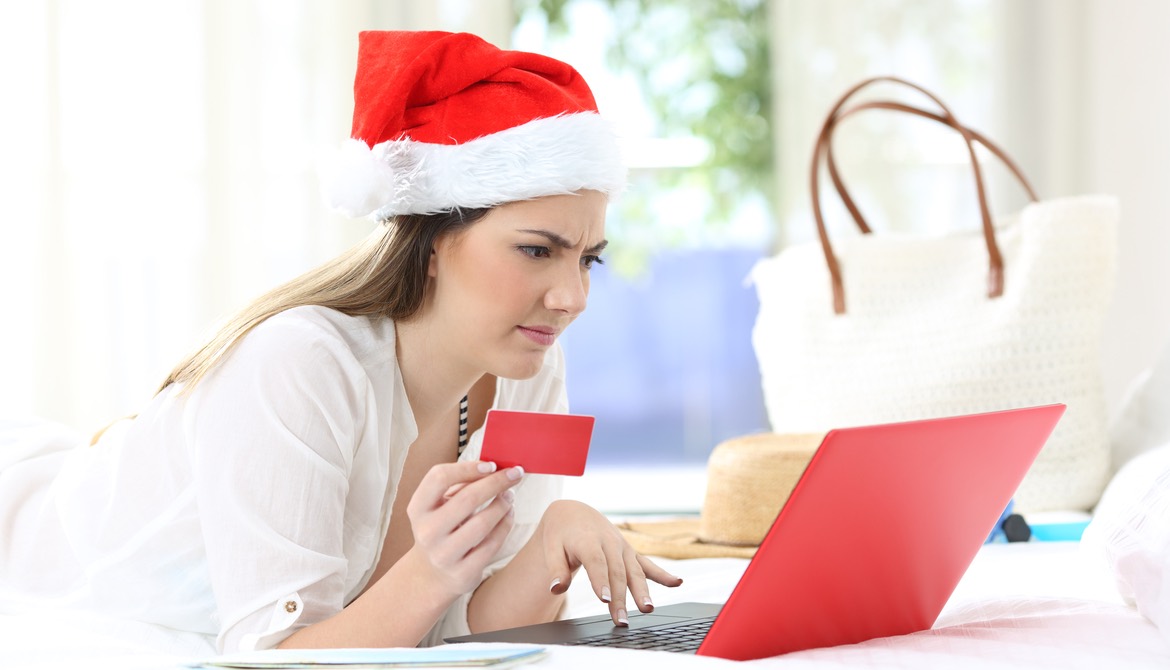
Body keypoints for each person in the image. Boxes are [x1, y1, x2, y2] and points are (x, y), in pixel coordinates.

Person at [0, 30, 681, 652]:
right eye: (537, 251)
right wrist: (430, 569)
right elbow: (276, 657)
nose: (573, 298)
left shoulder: (531, 364)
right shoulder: (298, 364)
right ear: (434, 241)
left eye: (588, 257)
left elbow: (459, 623)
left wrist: (551, 541)